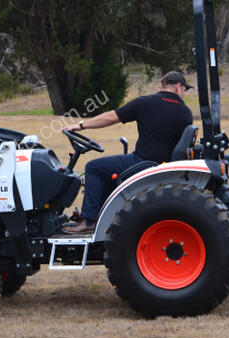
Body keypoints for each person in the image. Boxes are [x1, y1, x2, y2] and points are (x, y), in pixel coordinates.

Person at [61, 71, 194, 234]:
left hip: (143, 162)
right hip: (162, 165)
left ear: (165, 85)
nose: (184, 94)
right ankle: (100, 215)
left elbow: (110, 118)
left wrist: (81, 125)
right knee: (107, 171)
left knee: (94, 167)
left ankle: (89, 220)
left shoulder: (145, 103)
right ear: (179, 87)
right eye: (185, 90)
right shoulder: (185, 112)